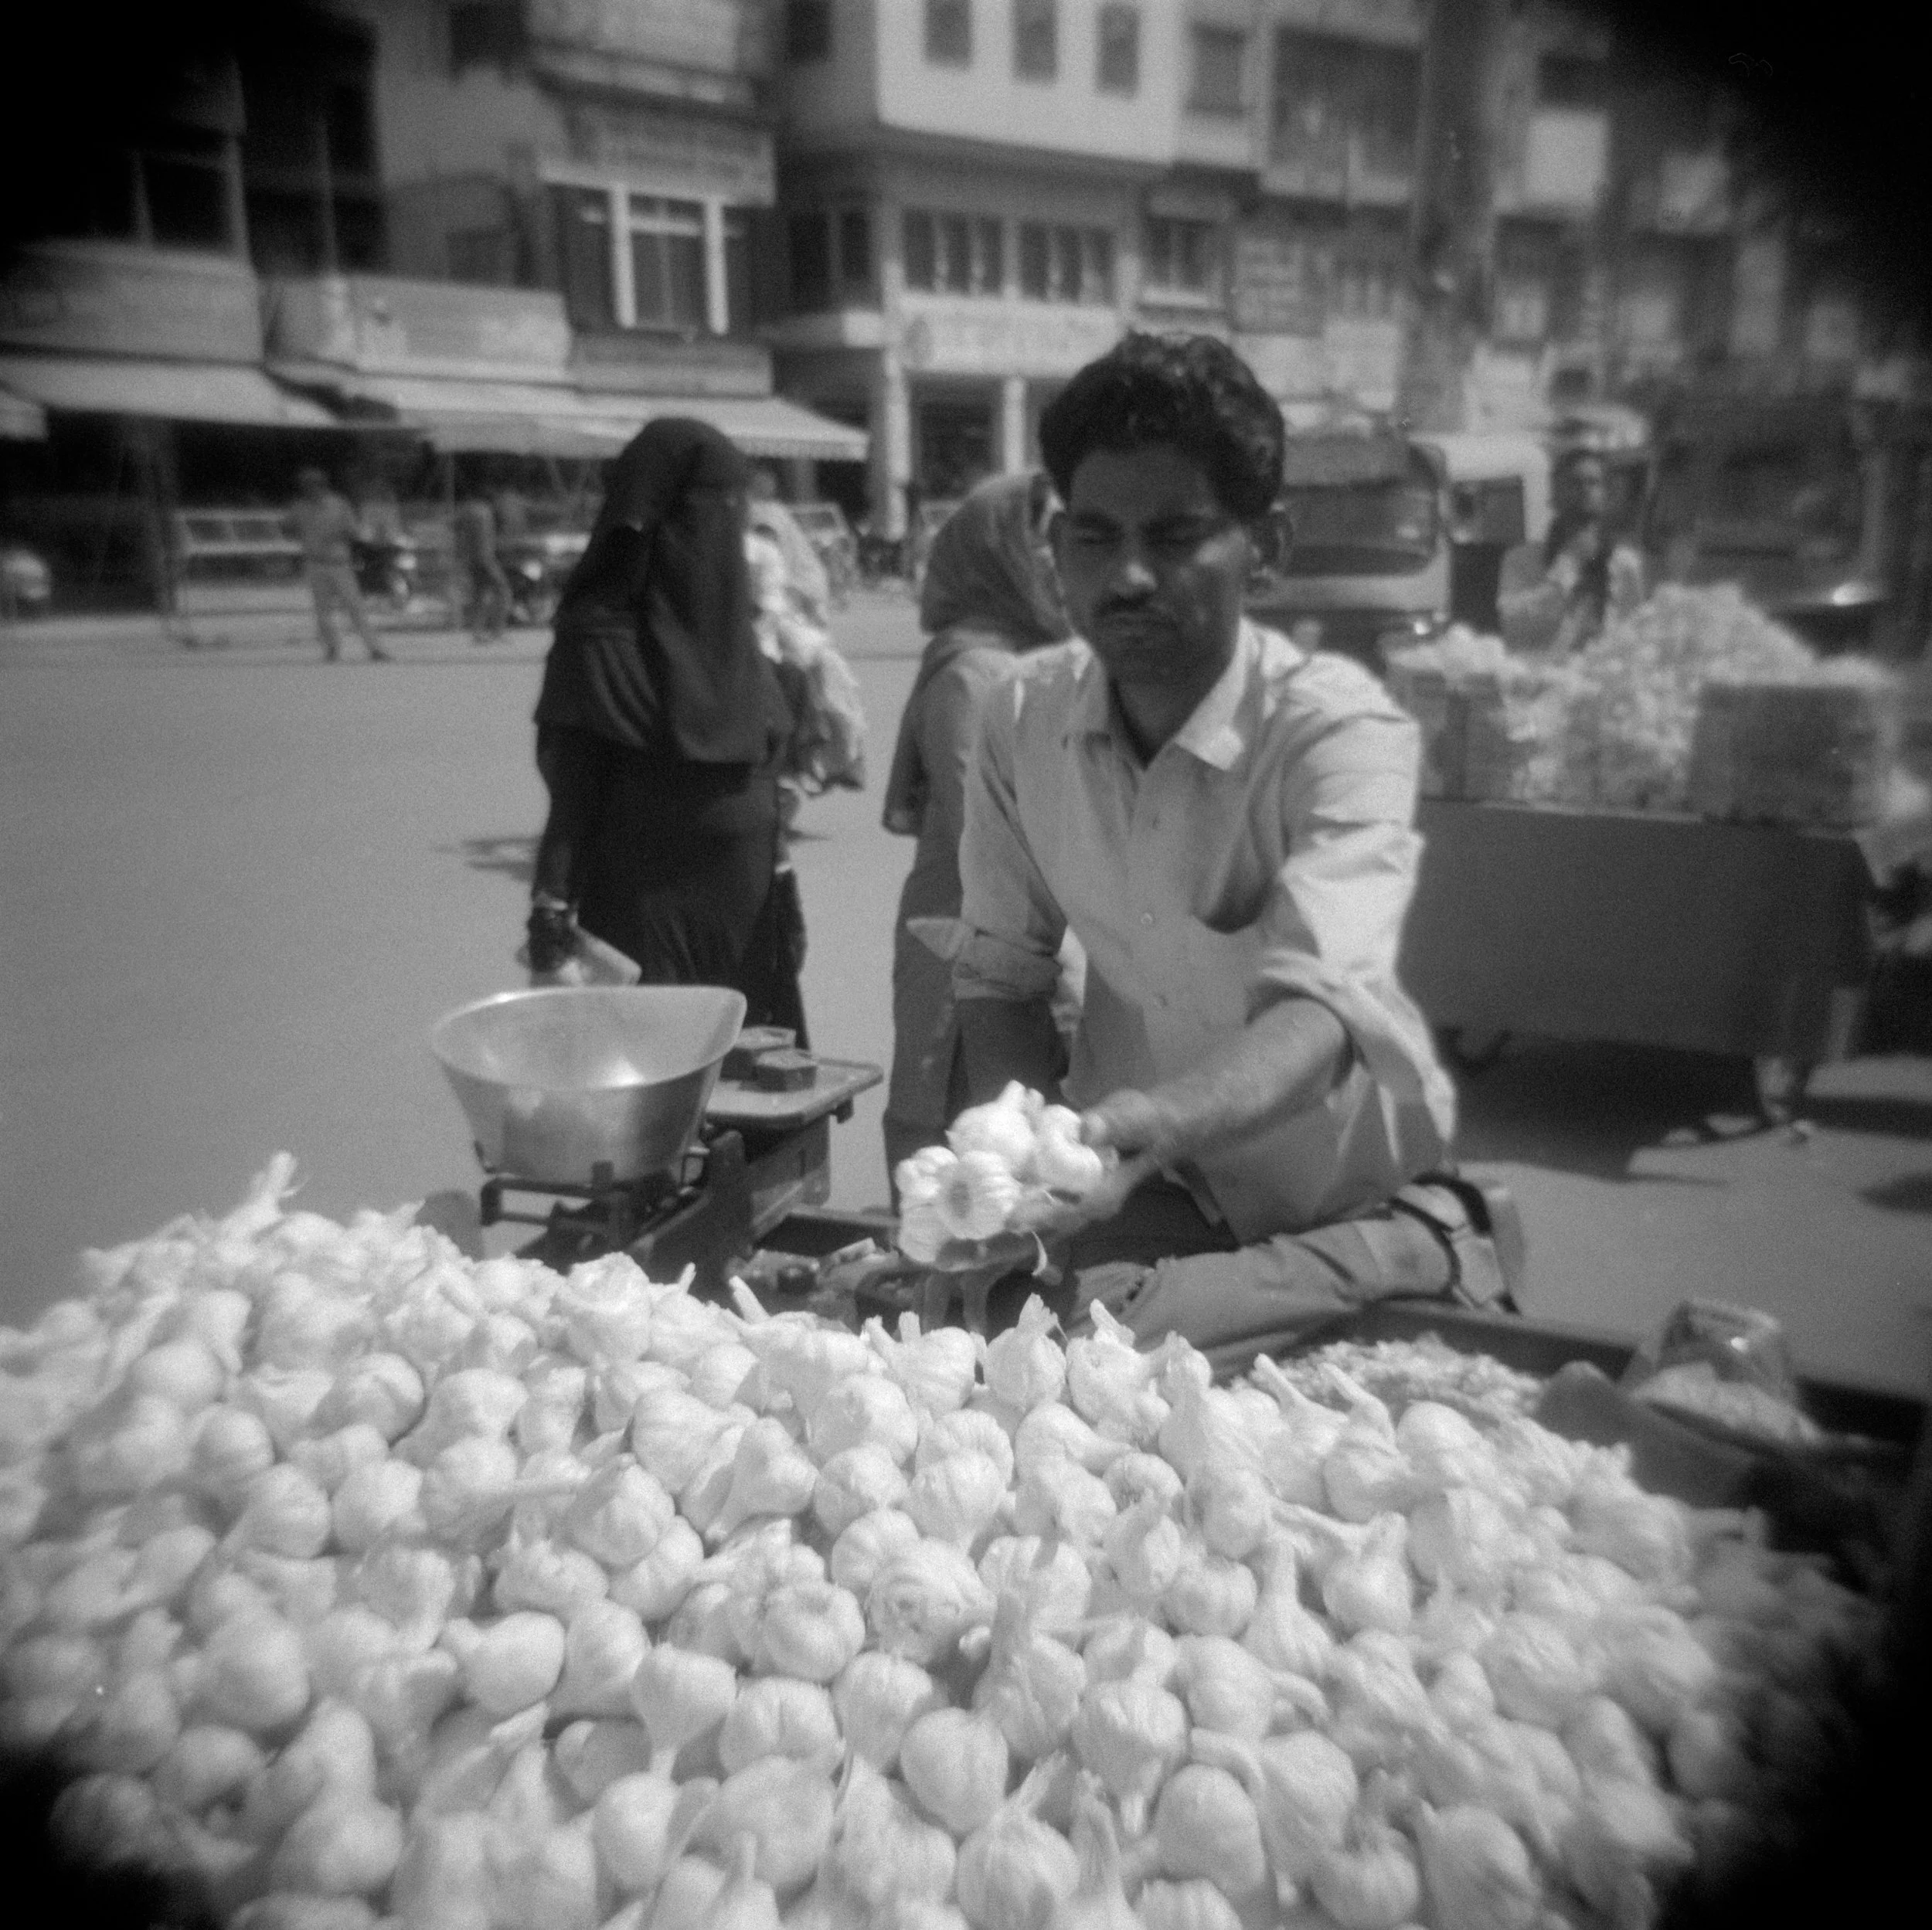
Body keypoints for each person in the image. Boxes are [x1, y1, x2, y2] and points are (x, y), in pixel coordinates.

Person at [951, 331, 1512, 1357]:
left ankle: (1433, 1240)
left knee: (1109, 1346)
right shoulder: (1017, 718)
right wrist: (1014, 1145)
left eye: (1174, 536)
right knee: (1028, 1359)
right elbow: (999, 972)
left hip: (1336, 1190)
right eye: (1093, 535)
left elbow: (1320, 1009)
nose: (1125, 576)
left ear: (1270, 548)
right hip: (1149, 1183)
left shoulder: (1338, 731)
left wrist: (1151, 1123)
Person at [523, 418, 808, 1039]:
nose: (724, 526)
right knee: (654, 1091)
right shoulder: (598, 637)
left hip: (746, 915)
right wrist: (550, 905)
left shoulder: (736, 640)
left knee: (750, 1090)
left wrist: (783, 883)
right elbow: (573, 793)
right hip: (640, 912)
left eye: (735, 507)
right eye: (709, 507)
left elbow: (764, 782)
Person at [880, 471, 1074, 1184]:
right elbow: (989, 838)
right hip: (967, 936)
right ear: (1000, 557)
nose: (1058, 560)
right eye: (1040, 544)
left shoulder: (1022, 660)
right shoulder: (976, 672)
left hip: (1011, 937)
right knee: (964, 1144)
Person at [1497, 444, 1645, 655]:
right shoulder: (1521, 560)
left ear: (1605, 495)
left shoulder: (1624, 564)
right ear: (1555, 495)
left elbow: (1637, 636)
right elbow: (1513, 624)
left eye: (1593, 483)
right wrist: (1569, 564)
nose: (1584, 489)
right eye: (1574, 483)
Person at [289, 467, 389, 663]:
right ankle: (331, 648)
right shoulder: (299, 507)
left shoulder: (338, 505)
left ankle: (374, 648)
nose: (309, 489)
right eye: (306, 486)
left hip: (339, 563)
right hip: (315, 563)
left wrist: (337, 534)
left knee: (354, 606)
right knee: (322, 610)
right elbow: (290, 527)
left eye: (313, 485)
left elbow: (353, 532)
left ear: (322, 485)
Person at [451, 488, 510, 644]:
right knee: (503, 592)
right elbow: (487, 538)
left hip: (471, 558)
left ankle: (477, 632)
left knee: (479, 594)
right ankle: (497, 631)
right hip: (485, 558)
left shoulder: (466, 510)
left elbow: (454, 528)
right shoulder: (485, 511)